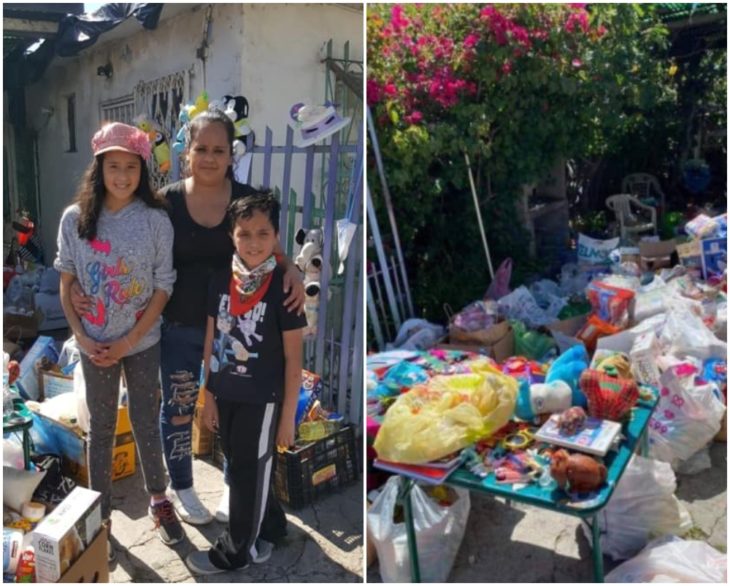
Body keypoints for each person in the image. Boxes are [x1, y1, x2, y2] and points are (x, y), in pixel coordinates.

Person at [72, 108, 304, 527]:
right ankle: (182, 487)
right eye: (202, 148)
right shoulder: (166, 203)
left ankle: (236, 485)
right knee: (178, 408)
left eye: (219, 149)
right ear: (187, 153)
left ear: (231, 154)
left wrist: (295, 271)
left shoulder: (247, 200)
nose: (210, 157)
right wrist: (73, 285)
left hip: (238, 332)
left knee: (234, 410)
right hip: (177, 325)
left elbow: (275, 252)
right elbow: (118, 247)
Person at [56, 122, 184, 560]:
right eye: (114, 166)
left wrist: (130, 339)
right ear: (99, 168)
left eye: (131, 167)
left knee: (148, 420)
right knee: (102, 429)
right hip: (94, 346)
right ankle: (101, 517)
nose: (123, 176)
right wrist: (80, 335)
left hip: (142, 343)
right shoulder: (75, 220)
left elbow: (163, 286)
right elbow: (66, 282)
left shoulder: (155, 221)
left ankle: (159, 500)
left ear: (142, 170)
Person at [186, 192, 306, 574]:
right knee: (241, 465)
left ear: (276, 236)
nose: (254, 243)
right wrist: (210, 392)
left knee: (247, 472)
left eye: (263, 233)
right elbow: (211, 339)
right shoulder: (221, 281)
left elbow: (293, 360)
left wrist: (287, 417)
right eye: (244, 234)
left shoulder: (283, 289)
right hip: (226, 392)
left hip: (263, 399)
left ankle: (237, 552)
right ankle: (270, 526)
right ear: (231, 236)